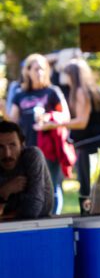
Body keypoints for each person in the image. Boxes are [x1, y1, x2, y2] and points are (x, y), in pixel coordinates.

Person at [8, 54, 72, 214]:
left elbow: (66, 116)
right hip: (27, 148)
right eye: (36, 69)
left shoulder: (52, 92)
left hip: (49, 148)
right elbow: (13, 122)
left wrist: (49, 120)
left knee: (52, 185)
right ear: (28, 71)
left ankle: (55, 219)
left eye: (43, 69)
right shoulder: (19, 94)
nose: (40, 73)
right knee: (29, 185)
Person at [63, 59, 100, 199]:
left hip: (89, 146)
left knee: (88, 189)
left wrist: (57, 124)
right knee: (99, 187)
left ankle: (89, 217)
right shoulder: (92, 89)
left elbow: (82, 122)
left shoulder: (80, 92)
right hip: (98, 143)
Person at [0, 121, 53, 220]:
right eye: (0, 147)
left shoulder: (32, 156)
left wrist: (4, 213)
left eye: (12, 145)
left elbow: (33, 208)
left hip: (38, 229)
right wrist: (4, 191)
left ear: (22, 145)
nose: (7, 154)